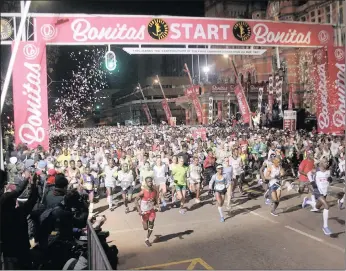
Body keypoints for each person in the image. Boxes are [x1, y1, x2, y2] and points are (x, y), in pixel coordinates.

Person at [0, 171, 38, 269]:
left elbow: (17, 192)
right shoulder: (20, 212)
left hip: (8, 252)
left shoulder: (2, 214)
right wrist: (33, 184)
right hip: (23, 250)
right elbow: (32, 199)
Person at [302, 158, 333, 235]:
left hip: (324, 192)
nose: (327, 163)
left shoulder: (329, 171)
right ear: (321, 163)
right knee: (326, 206)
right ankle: (325, 227)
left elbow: (329, 180)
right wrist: (312, 182)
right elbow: (309, 173)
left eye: (327, 162)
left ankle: (307, 201)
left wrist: (330, 179)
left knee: (317, 207)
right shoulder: (316, 170)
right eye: (325, 162)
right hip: (317, 190)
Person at [135, 176, 160, 247]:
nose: (150, 182)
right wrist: (139, 210)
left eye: (151, 181)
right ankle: (144, 221)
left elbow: (155, 201)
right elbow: (135, 201)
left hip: (151, 211)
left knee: (151, 225)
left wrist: (156, 206)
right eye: (149, 181)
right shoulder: (143, 192)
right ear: (146, 183)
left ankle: (147, 239)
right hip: (144, 212)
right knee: (145, 228)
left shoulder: (154, 191)